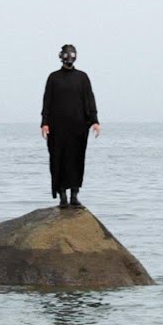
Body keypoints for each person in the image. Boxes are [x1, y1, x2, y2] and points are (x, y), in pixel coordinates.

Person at [40, 44, 101, 207]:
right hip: (57, 128)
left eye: (72, 55)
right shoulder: (53, 78)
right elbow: (47, 101)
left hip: (78, 128)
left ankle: (74, 195)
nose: (69, 58)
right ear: (61, 57)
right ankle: (62, 196)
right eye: (66, 55)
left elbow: (90, 99)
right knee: (58, 159)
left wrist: (95, 120)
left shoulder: (82, 77)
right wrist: (44, 123)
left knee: (76, 160)